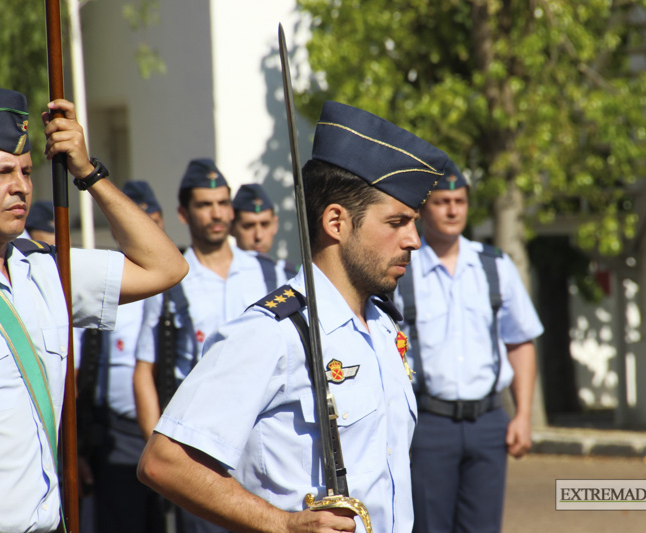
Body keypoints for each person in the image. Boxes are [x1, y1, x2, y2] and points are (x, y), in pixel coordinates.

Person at [137, 101, 449, 533]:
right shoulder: (272, 332)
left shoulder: (381, 325)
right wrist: (283, 524)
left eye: (413, 222)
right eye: (397, 221)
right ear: (337, 222)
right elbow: (165, 463)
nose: (414, 239)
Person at [0, 88, 188, 533]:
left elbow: (166, 266)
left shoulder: (46, 267)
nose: (20, 186)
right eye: (0, 173)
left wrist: (87, 171)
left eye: (25, 171)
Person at [133, 159, 288, 532]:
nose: (216, 213)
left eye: (222, 203)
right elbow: (145, 372)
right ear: (184, 213)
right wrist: (165, 459)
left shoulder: (271, 273)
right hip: (199, 451)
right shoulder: (172, 277)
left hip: (262, 446)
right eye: (205, 205)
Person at [393, 161, 544, 533]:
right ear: (423, 209)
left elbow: (520, 341)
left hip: (488, 422)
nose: (452, 209)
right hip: (429, 424)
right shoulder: (401, 270)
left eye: (460, 201)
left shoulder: (495, 266)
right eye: (443, 201)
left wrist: (522, 415)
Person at [76, 180, 168, 533]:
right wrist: (80, 449)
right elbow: (77, 375)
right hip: (115, 437)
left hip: (171, 433)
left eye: (153, 223)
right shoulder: (102, 285)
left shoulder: (181, 285)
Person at [231, 182, 297, 285]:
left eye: (265, 224)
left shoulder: (288, 276)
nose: (258, 236)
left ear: (275, 225)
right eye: (249, 226)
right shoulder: (220, 275)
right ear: (231, 227)